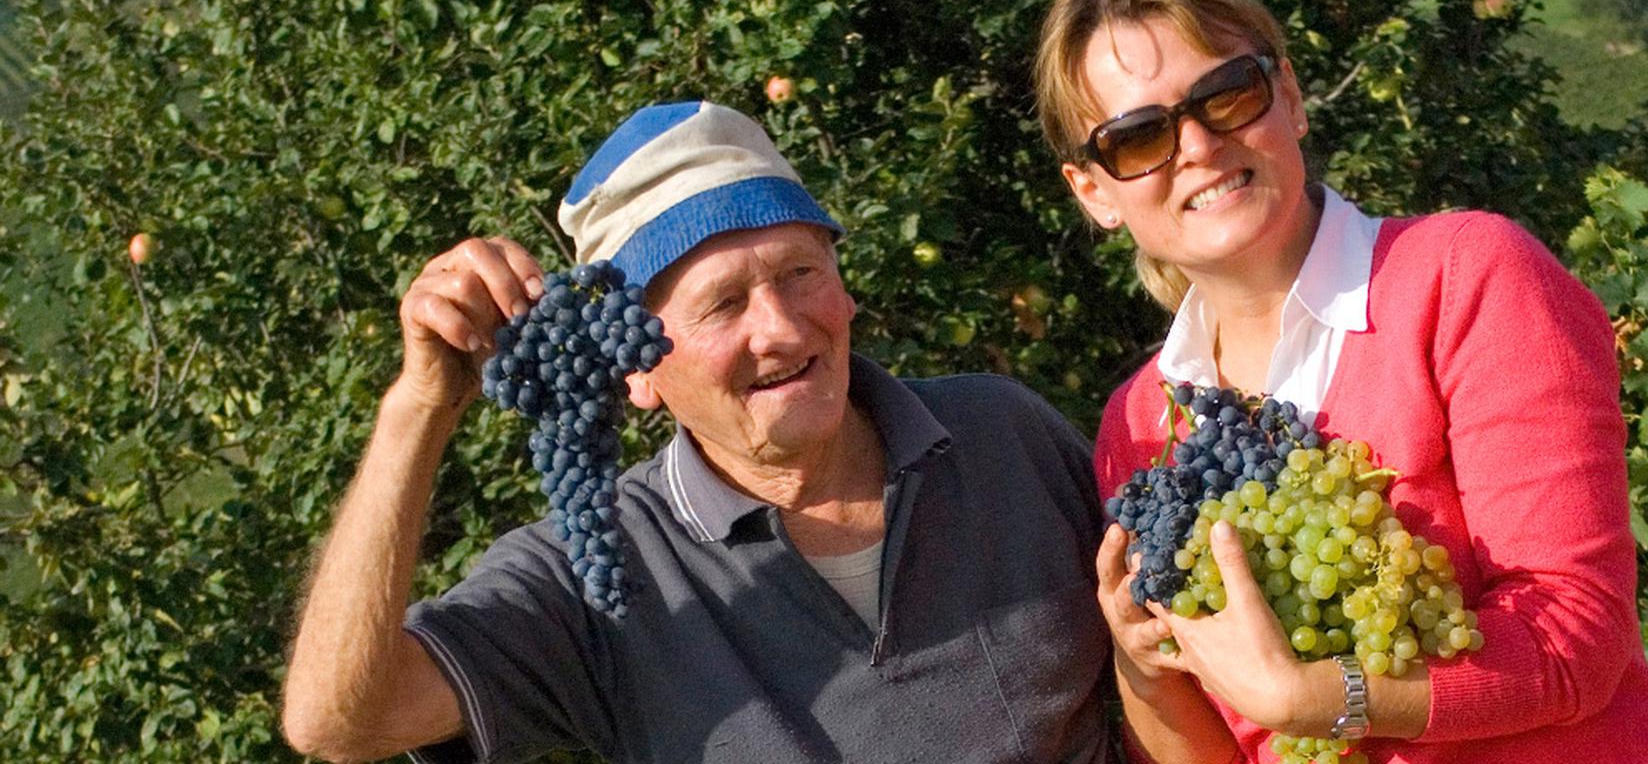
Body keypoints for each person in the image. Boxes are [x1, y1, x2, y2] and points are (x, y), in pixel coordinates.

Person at [281, 101, 1116, 763]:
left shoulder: (1001, 433)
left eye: (801, 273)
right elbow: (339, 721)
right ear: (634, 370)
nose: (783, 329)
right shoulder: (599, 572)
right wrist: (419, 406)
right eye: (722, 304)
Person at [1032, 0, 1648, 763]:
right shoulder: (1140, 425)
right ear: (1094, 192)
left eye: (1227, 94)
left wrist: (1325, 700)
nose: (1196, 145)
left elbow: (1577, 634)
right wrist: (1146, 668)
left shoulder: (1466, 279)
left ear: (1292, 99)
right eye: (1138, 136)